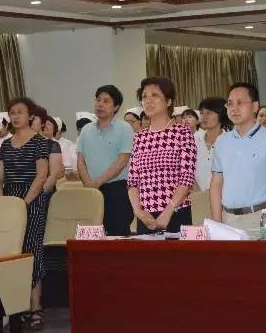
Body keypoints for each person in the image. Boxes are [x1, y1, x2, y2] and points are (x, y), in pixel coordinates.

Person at [0, 97, 51, 330]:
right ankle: (17, 306)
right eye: (12, 113)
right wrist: (2, 202)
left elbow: (41, 176)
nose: (15, 116)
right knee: (12, 253)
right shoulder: (6, 144)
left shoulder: (40, 142)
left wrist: (24, 203)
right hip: (10, 199)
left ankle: (36, 307)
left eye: (20, 112)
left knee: (31, 250)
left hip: (32, 199)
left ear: (30, 116)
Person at [209, 82, 266, 237]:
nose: (234, 108)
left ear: (255, 106)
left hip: (260, 219)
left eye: (240, 103)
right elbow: (216, 184)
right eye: (230, 103)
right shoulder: (222, 141)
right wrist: (217, 223)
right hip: (227, 219)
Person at [128, 77, 197, 234]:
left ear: (168, 101)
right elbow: (132, 181)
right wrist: (139, 212)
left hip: (176, 212)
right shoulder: (139, 137)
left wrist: (168, 212)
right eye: (144, 96)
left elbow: (187, 178)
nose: (148, 100)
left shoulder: (182, 133)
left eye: (155, 95)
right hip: (145, 217)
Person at [77, 85, 135, 236]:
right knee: (91, 237)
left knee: (117, 237)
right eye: (98, 100)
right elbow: (80, 161)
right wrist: (89, 184)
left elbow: (122, 161)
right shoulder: (86, 130)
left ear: (116, 107)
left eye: (106, 101)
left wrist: (98, 182)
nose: (100, 104)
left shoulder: (125, 128)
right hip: (90, 190)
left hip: (117, 190)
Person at [194, 97, 228, 190]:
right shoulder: (194, 140)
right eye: (201, 113)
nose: (203, 117)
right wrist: (199, 193)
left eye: (209, 113)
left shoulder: (230, 141)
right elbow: (187, 170)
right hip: (198, 194)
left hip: (224, 195)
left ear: (221, 115)